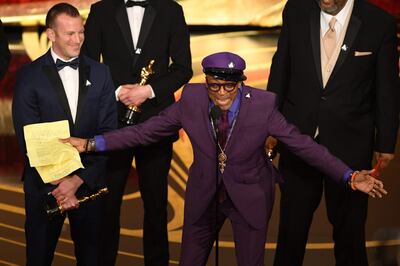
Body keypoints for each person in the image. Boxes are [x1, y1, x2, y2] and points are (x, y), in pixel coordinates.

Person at [65, 52, 387, 266]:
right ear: (205, 81)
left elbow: (304, 145)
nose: (220, 93)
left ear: (241, 83)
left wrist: (348, 176)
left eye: (228, 87)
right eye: (214, 85)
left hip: (250, 195)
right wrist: (92, 144)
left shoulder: (262, 107)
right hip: (205, 194)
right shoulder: (191, 98)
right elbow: (145, 132)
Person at [267, 0, 400, 265]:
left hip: (350, 146)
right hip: (298, 140)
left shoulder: (379, 23)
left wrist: (385, 142)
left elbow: (387, 89)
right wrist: (269, 124)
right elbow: (280, 69)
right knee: (291, 233)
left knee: (349, 234)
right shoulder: (296, 10)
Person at [81, 0, 192, 264]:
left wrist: (148, 91)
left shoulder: (171, 10)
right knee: (107, 204)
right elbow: (86, 64)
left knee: (156, 206)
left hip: (156, 123)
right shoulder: (101, 10)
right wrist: (118, 92)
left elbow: (183, 67)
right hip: (111, 121)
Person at [12, 3, 117, 265]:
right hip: (45, 186)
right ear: (51, 34)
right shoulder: (28, 75)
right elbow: (28, 136)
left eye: (81, 32)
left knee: (92, 259)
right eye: (70, 34)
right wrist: (62, 183)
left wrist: (77, 180)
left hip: (89, 184)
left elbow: (108, 133)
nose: (78, 39)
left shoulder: (102, 73)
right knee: (38, 258)